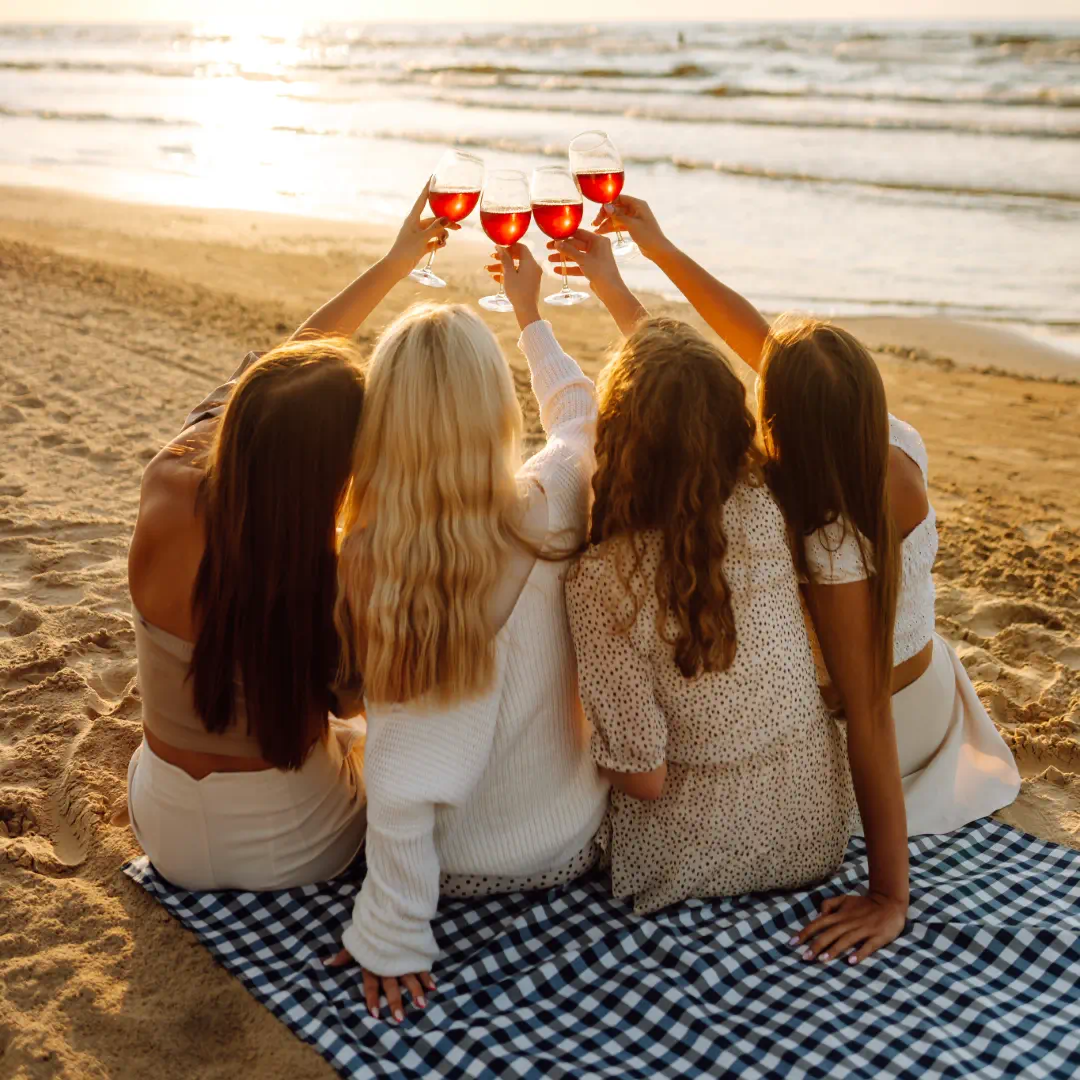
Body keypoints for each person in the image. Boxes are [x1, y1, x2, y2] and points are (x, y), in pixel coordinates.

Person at [553, 197, 1019, 962]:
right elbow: (743, 356)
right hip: (937, 682)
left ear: (780, 423)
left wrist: (889, 896)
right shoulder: (884, 440)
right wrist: (643, 263)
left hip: (895, 735)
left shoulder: (827, 533)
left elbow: (867, 714)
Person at [124, 186, 458, 892]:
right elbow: (354, 703)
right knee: (370, 741)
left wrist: (394, 262)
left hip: (163, 826)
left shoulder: (165, 480)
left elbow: (282, 369)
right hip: (287, 842)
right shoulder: (327, 573)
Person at [327, 244, 610, 1023]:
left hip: (448, 867)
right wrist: (529, 312)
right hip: (565, 846)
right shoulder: (553, 501)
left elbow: (401, 763)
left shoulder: (367, 554)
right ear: (497, 412)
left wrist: (393, 931)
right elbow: (582, 414)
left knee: (361, 734)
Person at [561, 306, 856, 925]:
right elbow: (685, 391)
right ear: (730, 424)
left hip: (687, 857)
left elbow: (643, 779)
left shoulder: (603, 578)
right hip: (816, 829)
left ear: (620, 441)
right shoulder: (766, 506)